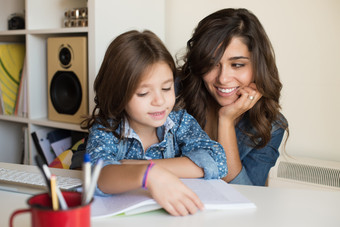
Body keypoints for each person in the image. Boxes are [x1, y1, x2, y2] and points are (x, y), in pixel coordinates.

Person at [81, 30, 227, 216]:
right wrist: (148, 175)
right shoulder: (106, 128)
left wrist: (142, 167)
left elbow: (217, 160)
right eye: (143, 93)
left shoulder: (179, 121)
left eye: (166, 88)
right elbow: (97, 176)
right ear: (119, 93)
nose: (159, 101)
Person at [177, 8, 288, 186]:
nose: (223, 78)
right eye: (211, 64)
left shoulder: (271, 126)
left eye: (237, 64)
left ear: (258, 65)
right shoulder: (171, 94)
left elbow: (245, 193)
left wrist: (226, 120)